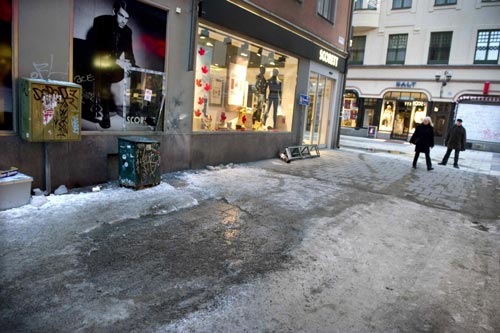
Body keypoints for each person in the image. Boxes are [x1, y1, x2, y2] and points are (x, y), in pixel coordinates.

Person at [86, 0, 136, 128]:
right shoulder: (101, 22)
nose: (123, 21)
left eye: (127, 18)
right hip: (98, 63)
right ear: (114, 12)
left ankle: (134, 110)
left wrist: (131, 65)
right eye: (121, 16)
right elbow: (96, 51)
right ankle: (105, 114)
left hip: (115, 67)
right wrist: (116, 61)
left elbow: (130, 53)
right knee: (104, 70)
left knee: (137, 71)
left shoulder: (127, 32)